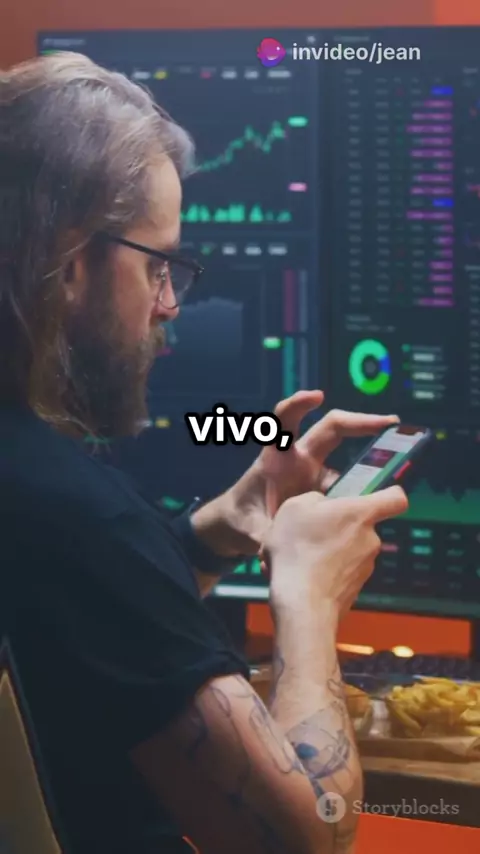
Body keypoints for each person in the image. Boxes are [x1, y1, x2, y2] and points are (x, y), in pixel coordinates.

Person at [0, 53, 408, 854]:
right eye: (158, 264)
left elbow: (80, 630)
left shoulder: (44, 506)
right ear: (71, 264)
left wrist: (218, 529)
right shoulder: (79, 518)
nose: (169, 305)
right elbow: (307, 836)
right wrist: (307, 599)